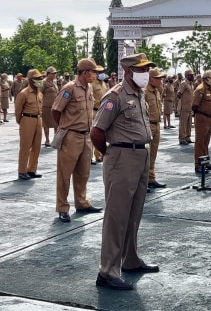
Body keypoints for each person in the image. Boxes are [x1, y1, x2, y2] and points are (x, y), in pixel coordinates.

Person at [91, 53, 158, 291]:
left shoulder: (138, 95)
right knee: (116, 217)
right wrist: (111, 154)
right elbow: (97, 131)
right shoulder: (115, 96)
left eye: (147, 69)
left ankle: (130, 260)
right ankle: (107, 271)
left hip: (140, 156)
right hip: (121, 157)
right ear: (129, 72)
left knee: (134, 212)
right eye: (141, 70)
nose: (146, 74)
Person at [51, 58, 103, 222]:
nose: (96, 75)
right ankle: (62, 207)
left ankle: (81, 202)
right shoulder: (70, 88)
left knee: (83, 173)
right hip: (71, 136)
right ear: (85, 73)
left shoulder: (88, 88)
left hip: (85, 135)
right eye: (94, 72)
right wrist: (64, 126)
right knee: (65, 174)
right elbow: (56, 110)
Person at [15, 69, 44, 180]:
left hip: (38, 119)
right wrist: (21, 122)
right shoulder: (24, 93)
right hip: (27, 119)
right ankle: (22, 171)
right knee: (25, 147)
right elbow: (18, 110)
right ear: (31, 80)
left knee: (36, 147)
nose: (40, 80)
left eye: (40, 78)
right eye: (37, 79)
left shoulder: (39, 93)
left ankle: (32, 169)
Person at [192, 70, 211, 173]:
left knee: (205, 142)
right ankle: (198, 164)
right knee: (200, 142)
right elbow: (194, 105)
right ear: (206, 79)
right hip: (202, 118)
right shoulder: (201, 89)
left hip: (209, 118)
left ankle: (205, 162)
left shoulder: (209, 89)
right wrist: (200, 116)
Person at [145, 68, 167, 188]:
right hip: (148, 125)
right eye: (158, 78)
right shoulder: (144, 92)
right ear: (151, 79)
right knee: (145, 155)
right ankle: (142, 181)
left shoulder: (156, 91)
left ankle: (151, 178)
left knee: (153, 154)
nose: (160, 80)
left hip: (157, 125)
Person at [91, 65, 109, 164]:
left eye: (103, 72)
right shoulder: (92, 84)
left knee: (101, 134)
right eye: (99, 72)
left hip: (103, 111)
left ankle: (98, 155)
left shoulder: (104, 84)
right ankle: (90, 157)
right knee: (92, 134)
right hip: (94, 111)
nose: (101, 73)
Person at [40, 67, 59, 146]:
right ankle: (47, 140)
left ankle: (55, 139)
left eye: (55, 73)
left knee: (56, 124)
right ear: (48, 74)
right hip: (46, 107)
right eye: (53, 73)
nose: (55, 75)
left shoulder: (54, 82)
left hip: (54, 106)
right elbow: (39, 93)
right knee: (46, 124)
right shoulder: (42, 82)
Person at [177, 69, 194, 145]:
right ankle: (182, 138)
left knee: (189, 123)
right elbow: (179, 94)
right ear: (187, 76)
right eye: (191, 75)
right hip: (184, 107)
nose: (192, 76)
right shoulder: (183, 83)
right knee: (183, 124)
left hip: (189, 107)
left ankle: (187, 137)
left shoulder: (191, 84)